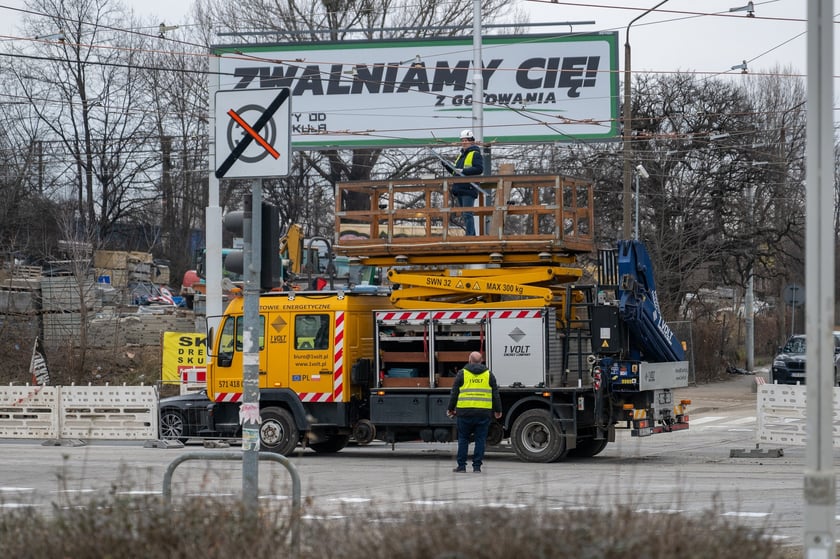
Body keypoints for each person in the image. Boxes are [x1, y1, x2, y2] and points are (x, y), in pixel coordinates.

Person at [446, 351, 502, 473]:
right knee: (480, 440)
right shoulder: (489, 375)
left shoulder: (462, 374)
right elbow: (495, 394)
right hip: (483, 413)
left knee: (463, 439)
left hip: (464, 413)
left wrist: (450, 408)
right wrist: (498, 410)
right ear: (481, 361)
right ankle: (477, 467)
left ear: (469, 360)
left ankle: (461, 466)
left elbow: (454, 393)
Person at [443, 129, 484, 236]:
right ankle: (471, 235)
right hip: (460, 188)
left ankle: (470, 236)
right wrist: (447, 165)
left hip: (469, 187)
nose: (464, 142)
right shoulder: (461, 155)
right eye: (463, 140)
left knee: (467, 214)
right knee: (465, 214)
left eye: (466, 140)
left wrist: (464, 171)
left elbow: (479, 169)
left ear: (471, 141)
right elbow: (454, 172)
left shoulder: (475, 154)